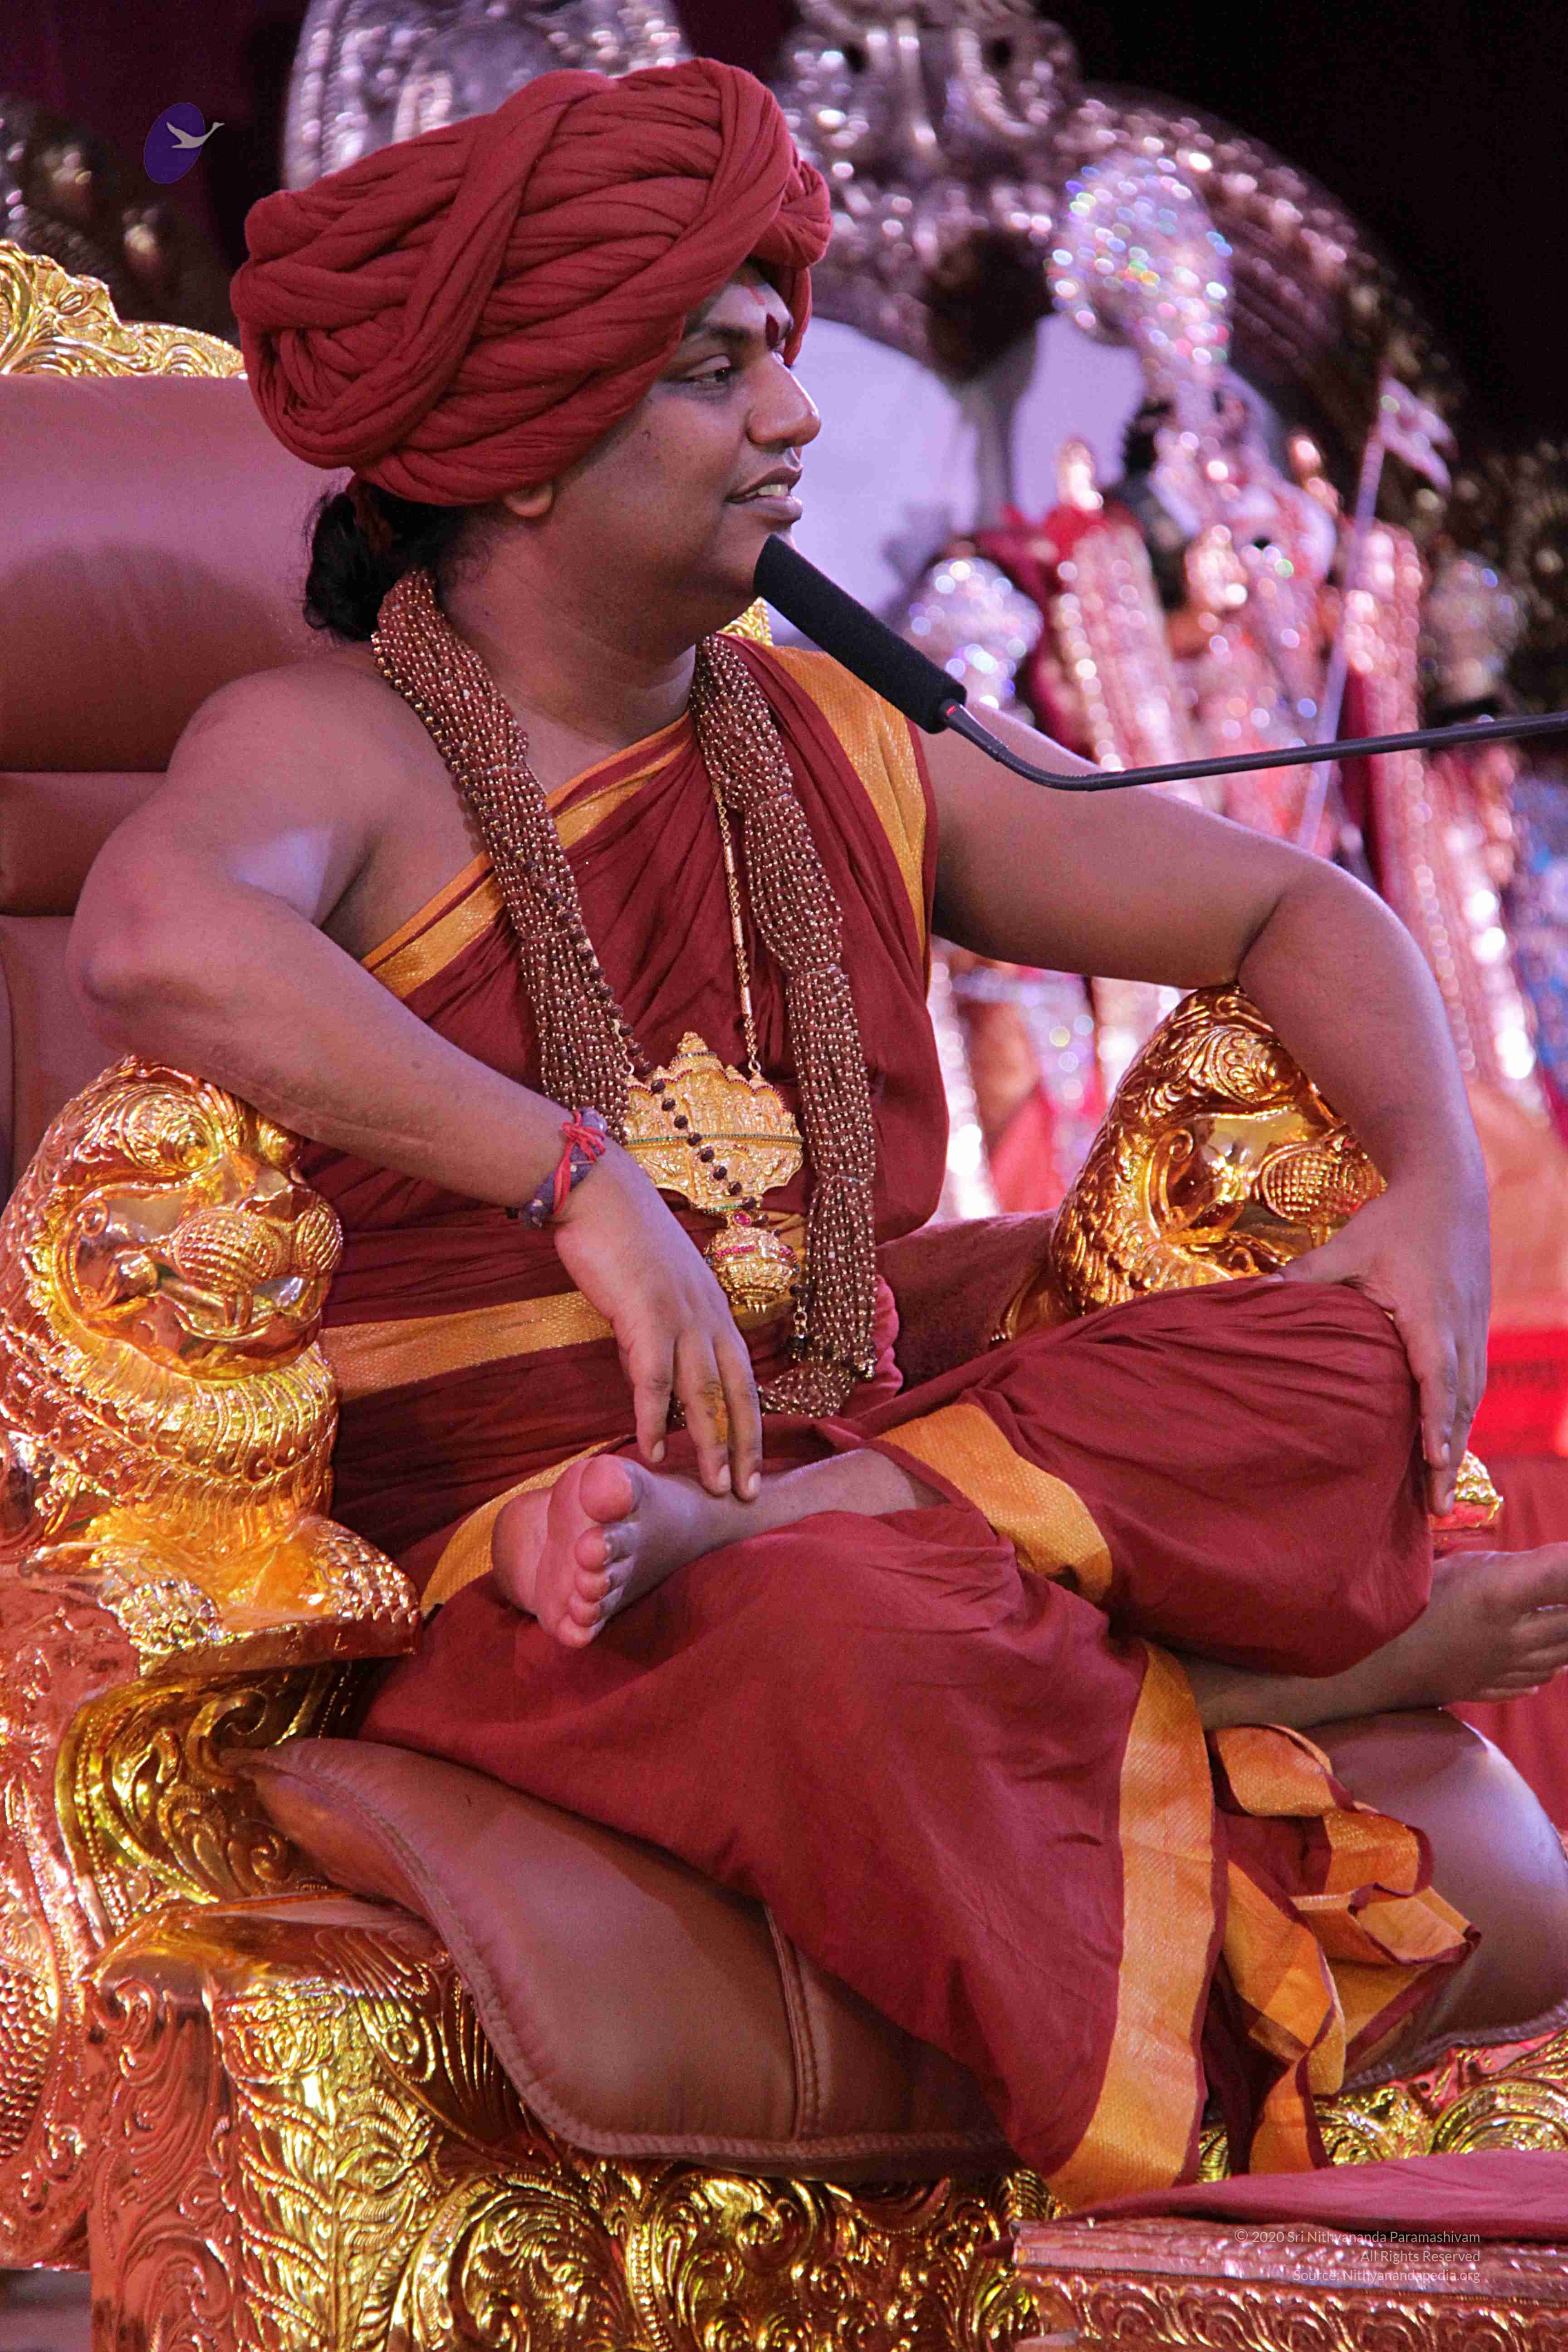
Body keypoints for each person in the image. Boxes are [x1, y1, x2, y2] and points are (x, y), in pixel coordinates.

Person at [66, 57, 1568, 2207]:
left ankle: (855, 1531)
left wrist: (1433, 1199)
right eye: (716, 370)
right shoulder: (334, 742)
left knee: (1319, 1357)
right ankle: (1217, 1703)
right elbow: (153, 933)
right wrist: (575, 1177)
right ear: (521, 448)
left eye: (776, 353)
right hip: (538, 1553)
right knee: (846, 1639)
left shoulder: (848, 741)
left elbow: (1291, 911)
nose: (793, 418)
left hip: (845, 1436)